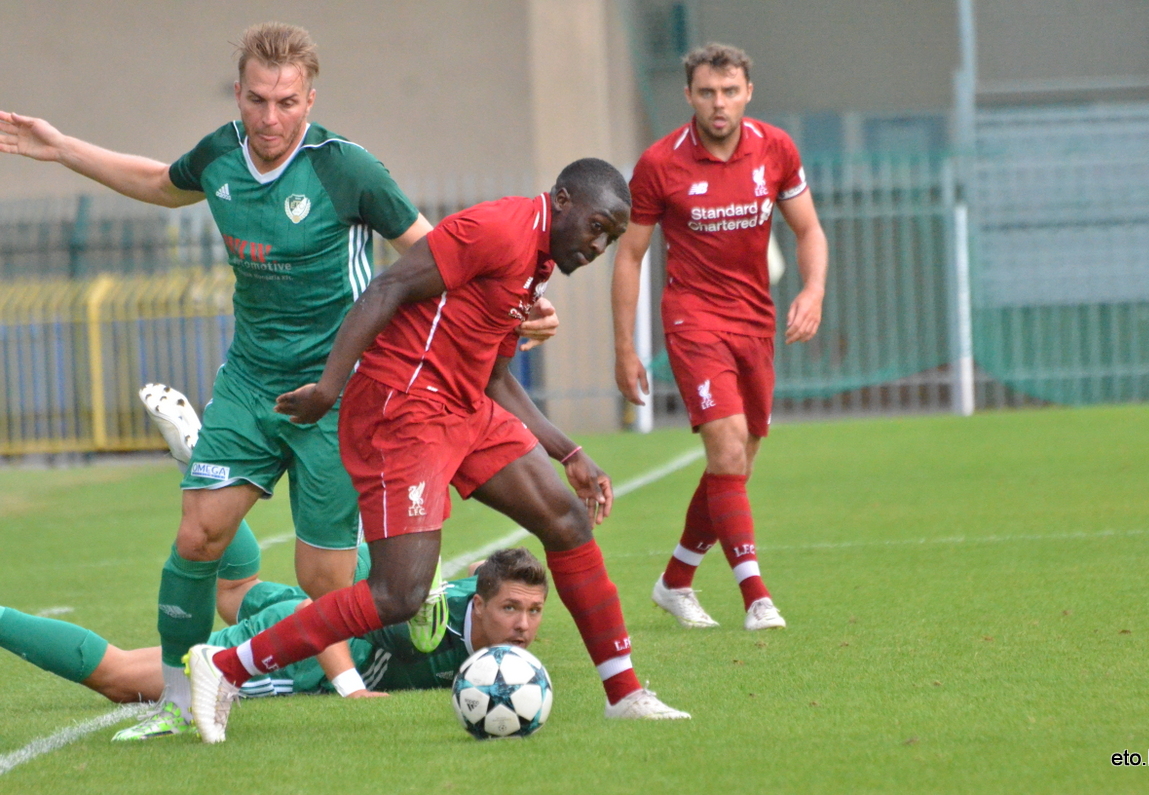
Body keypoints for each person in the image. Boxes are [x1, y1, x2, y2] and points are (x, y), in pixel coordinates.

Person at [0, 22, 559, 740]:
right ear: (239, 93)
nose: (270, 118)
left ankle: (281, 657)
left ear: (310, 98)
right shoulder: (220, 155)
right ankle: (179, 699)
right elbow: (158, 184)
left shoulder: (347, 168)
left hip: (340, 393)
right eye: (257, 100)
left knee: (325, 581)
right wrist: (60, 147)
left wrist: (512, 310)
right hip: (250, 381)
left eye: (286, 102)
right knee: (198, 535)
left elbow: (437, 257)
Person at [185, 157, 689, 745]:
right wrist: (328, 386)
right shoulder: (498, 229)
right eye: (597, 227)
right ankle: (224, 669)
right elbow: (388, 286)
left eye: (611, 237)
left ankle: (625, 694)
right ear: (563, 199)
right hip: (404, 408)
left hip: (465, 407)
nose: (600, 246)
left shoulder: (538, 262)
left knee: (567, 520)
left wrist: (567, 451)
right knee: (399, 594)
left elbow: (496, 377)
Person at [610, 43, 828, 631]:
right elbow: (629, 256)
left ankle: (675, 582)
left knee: (739, 461)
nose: (719, 103)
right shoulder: (660, 164)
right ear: (689, 96)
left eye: (730, 91)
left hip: (754, 320)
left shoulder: (776, 148)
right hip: (693, 319)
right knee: (727, 449)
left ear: (748, 92)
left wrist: (811, 291)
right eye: (707, 92)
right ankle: (757, 596)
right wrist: (625, 348)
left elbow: (808, 229)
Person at [0, 547, 549, 732]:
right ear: (477, 605)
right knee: (122, 680)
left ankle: (201, 461)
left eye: (533, 612)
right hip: (307, 651)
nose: (523, 627)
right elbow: (321, 609)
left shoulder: (489, 613)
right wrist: (351, 688)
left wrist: (495, 575)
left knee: (236, 588)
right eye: (510, 610)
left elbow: (484, 566)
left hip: (302, 612)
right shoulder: (426, 618)